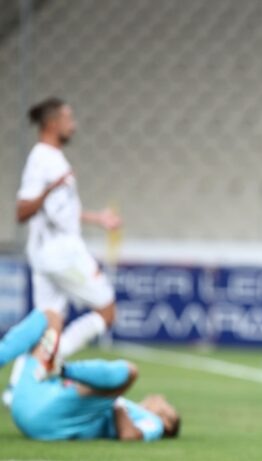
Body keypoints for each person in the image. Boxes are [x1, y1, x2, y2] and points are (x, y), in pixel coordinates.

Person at [7, 97, 122, 396]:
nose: (74, 125)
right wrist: (50, 188)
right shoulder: (42, 158)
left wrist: (97, 218)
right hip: (61, 254)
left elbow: (61, 212)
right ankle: (48, 363)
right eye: (68, 119)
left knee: (48, 324)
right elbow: (22, 211)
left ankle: (16, 386)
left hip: (48, 254)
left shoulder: (53, 158)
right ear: (52, 123)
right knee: (107, 311)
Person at [8, 311, 180, 441]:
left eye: (167, 407)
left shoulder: (154, 423)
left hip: (48, 418)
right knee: (50, 318)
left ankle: (62, 369)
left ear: (167, 422)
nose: (161, 398)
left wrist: (116, 400)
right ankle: (53, 368)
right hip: (28, 399)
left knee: (130, 372)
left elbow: (129, 435)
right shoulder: (132, 408)